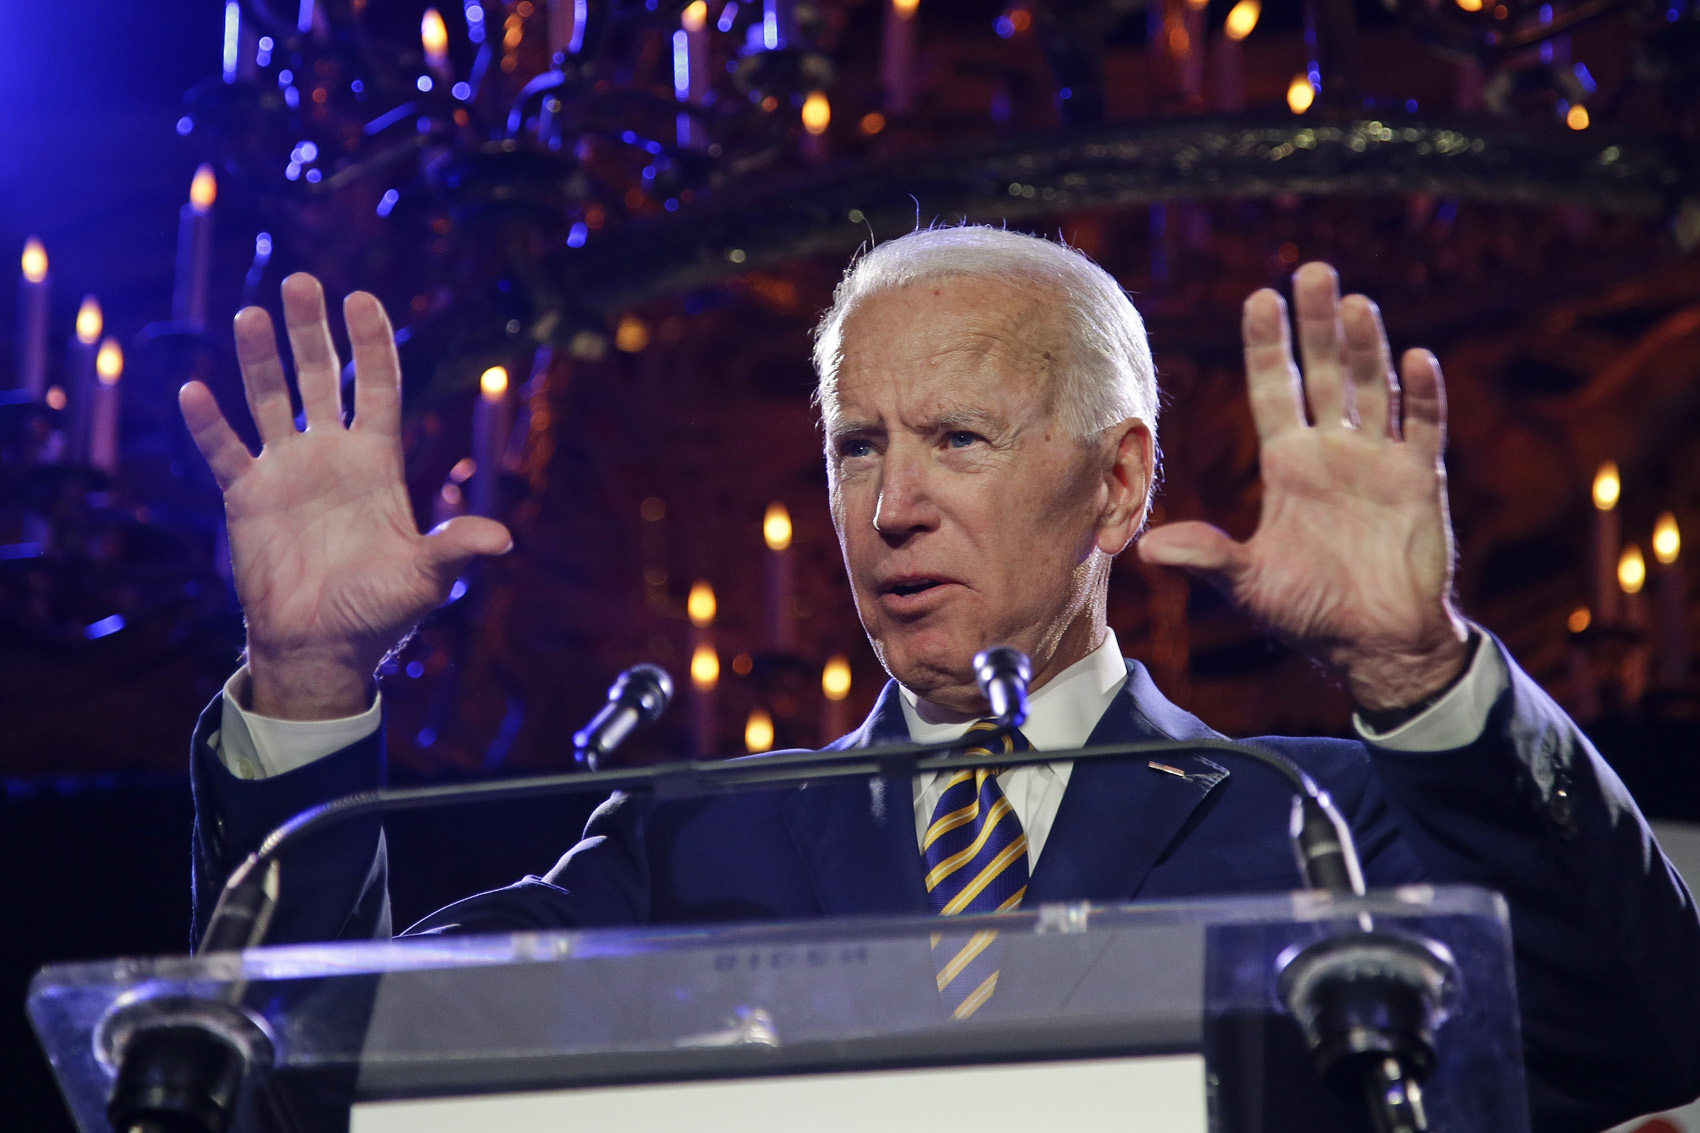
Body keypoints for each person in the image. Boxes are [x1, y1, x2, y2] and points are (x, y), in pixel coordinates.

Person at [180, 227, 1700, 1129]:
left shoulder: (1325, 819)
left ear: (1117, 488)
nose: (889, 504)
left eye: (957, 440)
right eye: (858, 445)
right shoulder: (692, 837)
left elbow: (1636, 1027)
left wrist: (1417, 672)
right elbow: (312, 1085)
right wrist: (305, 685)